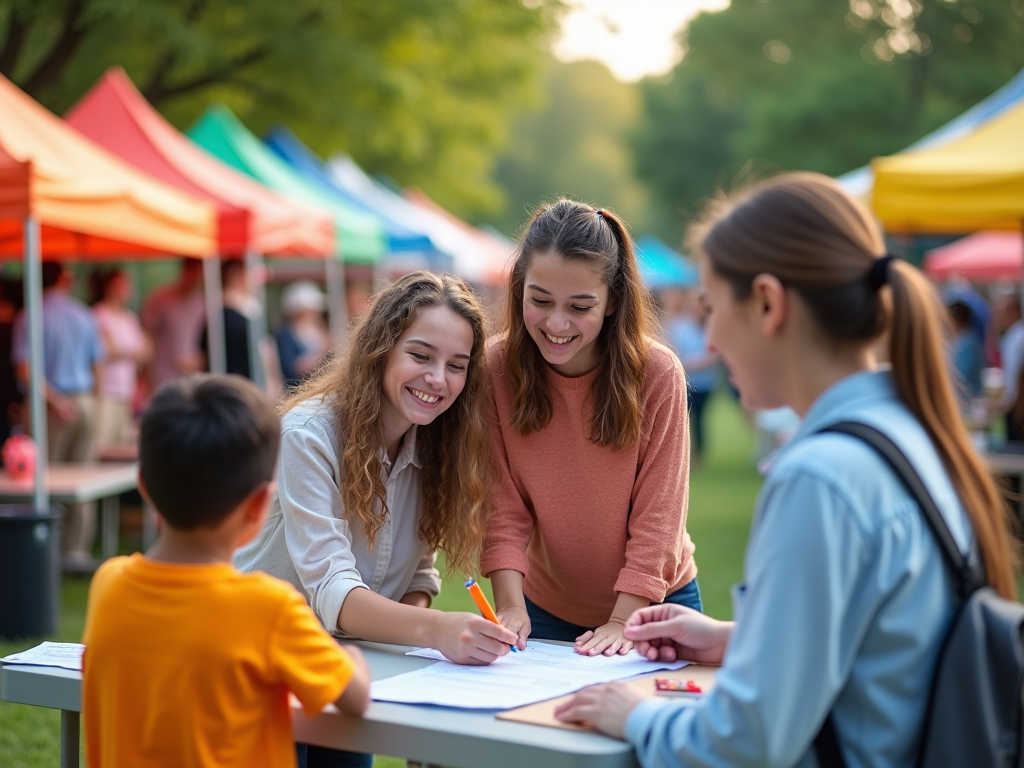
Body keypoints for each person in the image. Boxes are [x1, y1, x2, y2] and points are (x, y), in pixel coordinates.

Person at [552, 173, 1018, 768]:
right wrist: (737, 640)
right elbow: (893, 650)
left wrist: (635, 713)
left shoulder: (820, 477)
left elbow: (748, 744)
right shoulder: (912, 436)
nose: (711, 340)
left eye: (713, 309)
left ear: (769, 303)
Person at [235, 271, 517, 768]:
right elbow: (334, 590)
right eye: (421, 355)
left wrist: (414, 627)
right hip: (259, 665)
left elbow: (419, 572)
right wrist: (436, 630)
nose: (438, 379)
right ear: (381, 349)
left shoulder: (438, 444)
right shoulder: (308, 434)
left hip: (349, 667)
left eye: (457, 365)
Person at [82, 374, 371, 768]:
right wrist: (352, 656)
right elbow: (353, 697)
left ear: (145, 488)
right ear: (258, 508)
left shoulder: (108, 585)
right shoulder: (270, 609)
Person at [483, 200, 700, 659]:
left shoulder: (658, 374)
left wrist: (624, 620)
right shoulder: (495, 368)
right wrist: (509, 606)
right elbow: (501, 505)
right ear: (520, 287)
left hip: (654, 603)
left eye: (579, 306)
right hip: (540, 605)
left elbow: (659, 518)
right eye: (539, 301)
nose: (556, 324)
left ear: (612, 302)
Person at [12, 262, 105, 566]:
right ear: (64, 280)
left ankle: (45, 551)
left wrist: (56, 401)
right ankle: (74, 552)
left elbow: (25, 370)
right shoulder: (84, 314)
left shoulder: (30, 316)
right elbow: (98, 366)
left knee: (45, 480)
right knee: (83, 477)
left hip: (49, 405)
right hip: (85, 402)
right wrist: (93, 404)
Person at [91, 268, 151, 450]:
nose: (129, 290)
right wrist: (131, 352)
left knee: (121, 443)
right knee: (102, 443)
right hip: (105, 392)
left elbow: (148, 350)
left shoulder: (129, 318)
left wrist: (122, 351)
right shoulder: (98, 314)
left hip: (126, 392)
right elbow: (108, 349)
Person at [666, 287, 718, 465]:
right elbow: (672, 350)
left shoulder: (710, 328)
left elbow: (712, 357)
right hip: (685, 383)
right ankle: (681, 455)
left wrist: (685, 364)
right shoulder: (680, 327)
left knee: (699, 420)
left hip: (705, 384)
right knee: (681, 421)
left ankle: (698, 455)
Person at [141, 257, 205, 392]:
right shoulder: (160, 299)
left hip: (192, 377)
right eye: (194, 272)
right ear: (185, 271)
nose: (197, 278)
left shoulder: (203, 302)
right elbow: (147, 337)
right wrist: (148, 376)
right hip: (163, 375)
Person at [277, 281, 330, 390]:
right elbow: (292, 367)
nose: (316, 314)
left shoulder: (318, 330)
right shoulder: (286, 334)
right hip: (294, 390)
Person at [948, 299, 984, 402]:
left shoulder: (968, 342)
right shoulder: (962, 339)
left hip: (966, 402)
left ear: (957, 319)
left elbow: (962, 376)